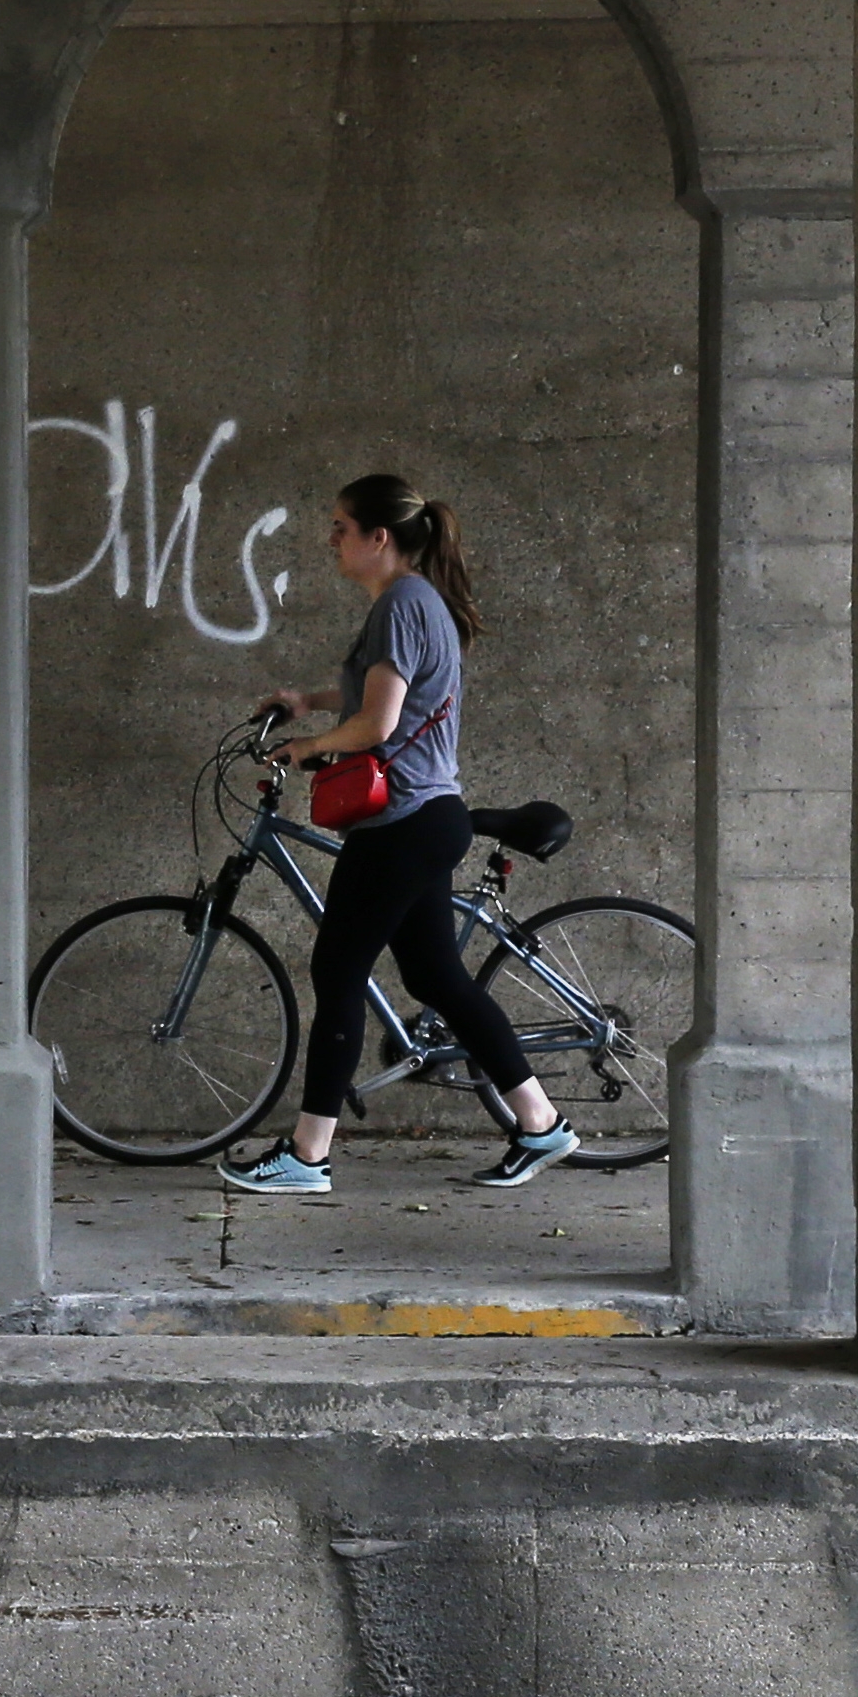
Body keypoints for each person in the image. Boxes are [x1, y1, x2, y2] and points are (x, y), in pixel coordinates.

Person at [216, 473, 579, 1196]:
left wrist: (311, 745)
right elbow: (383, 694)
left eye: (341, 526)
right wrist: (306, 700)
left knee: (338, 974)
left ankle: (307, 1154)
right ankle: (539, 1121)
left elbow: (377, 726)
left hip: (403, 821)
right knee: (433, 976)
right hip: (422, 817)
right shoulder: (412, 602)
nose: (331, 538)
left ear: (379, 538)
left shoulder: (401, 604)